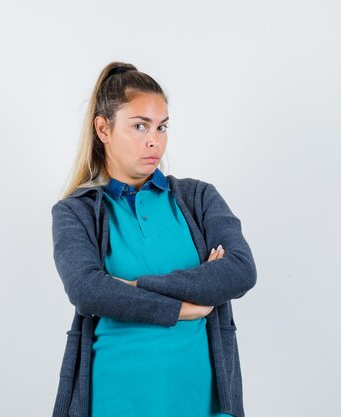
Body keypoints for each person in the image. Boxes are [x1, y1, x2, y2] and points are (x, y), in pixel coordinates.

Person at [50, 61, 257, 417]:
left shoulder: (198, 198)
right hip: (115, 399)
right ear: (103, 129)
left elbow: (240, 271)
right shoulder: (75, 211)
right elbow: (86, 290)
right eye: (139, 126)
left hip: (199, 399)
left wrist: (132, 286)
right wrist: (183, 308)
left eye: (162, 127)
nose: (154, 140)